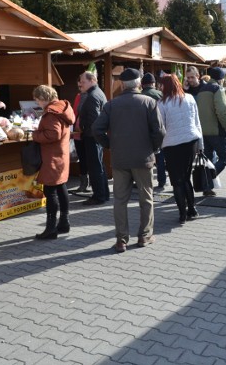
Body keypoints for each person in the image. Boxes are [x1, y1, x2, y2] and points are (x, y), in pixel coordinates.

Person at [92, 68, 165, 253]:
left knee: (120, 200)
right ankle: (144, 235)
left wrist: (109, 144)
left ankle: (121, 240)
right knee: (146, 198)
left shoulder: (112, 105)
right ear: (139, 83)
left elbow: (96, 129)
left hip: (120, 158)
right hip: (143, 158)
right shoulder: (149, 102)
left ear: (122, 84)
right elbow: (159, 131)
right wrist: (154, 148)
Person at [157, 73, 203, 224]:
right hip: (191, 140)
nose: (159, 87)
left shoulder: (162, 103)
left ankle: (182, 213)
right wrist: (200, 143)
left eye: (161, 85)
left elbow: (161, 127)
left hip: (171, 144)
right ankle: (192, 209)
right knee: (186, 177)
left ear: (165, 86)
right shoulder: (189, 98)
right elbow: (197, 121)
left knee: (177, 180)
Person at [31, 85, 75, 240]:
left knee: (50, 191)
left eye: (37, 99)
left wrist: (35, 135)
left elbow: (53, 134)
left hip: (52, 157)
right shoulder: (62, 108)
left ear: (43, 98)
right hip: (60, 155)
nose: (37, 103)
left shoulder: (51, 113)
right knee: (61, 187)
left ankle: (51, 229)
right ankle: (64, 222)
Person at [185, 66, 226, 197]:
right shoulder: (217, 89)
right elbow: (221, 112)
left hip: (202, 131)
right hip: (216, 130)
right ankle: (206, 181)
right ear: (221, 79)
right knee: (225, 158)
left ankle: (207, 188)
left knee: (209, 160)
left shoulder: (201, 90)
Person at [77, 71, 110, 205]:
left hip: (92, 136)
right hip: (96, 136)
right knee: (99, 165)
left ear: (92, 80)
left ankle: (99, 196)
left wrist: (84, 128)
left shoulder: (92, 96)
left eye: (83, 82)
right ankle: (104, 193)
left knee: (95, 167)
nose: (81, 84)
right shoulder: (98, 93)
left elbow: (94, 120)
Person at [141, 72, 167, 190]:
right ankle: (162, 181)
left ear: (142, 85)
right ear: (153, 83)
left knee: (144, 157)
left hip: (143, 130)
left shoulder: (139, 95)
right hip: (159, 128)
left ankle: (143, 182)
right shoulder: (161, 94)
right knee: (160, 156)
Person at [70, 92, 90, 193]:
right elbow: (74, 112)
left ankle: (89, 184)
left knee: (89, 158)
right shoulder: (79, 96)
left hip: (87, 132)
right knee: (82, 158)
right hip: (78, 131)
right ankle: (84, 184)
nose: (80, 86)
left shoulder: (93, 95)